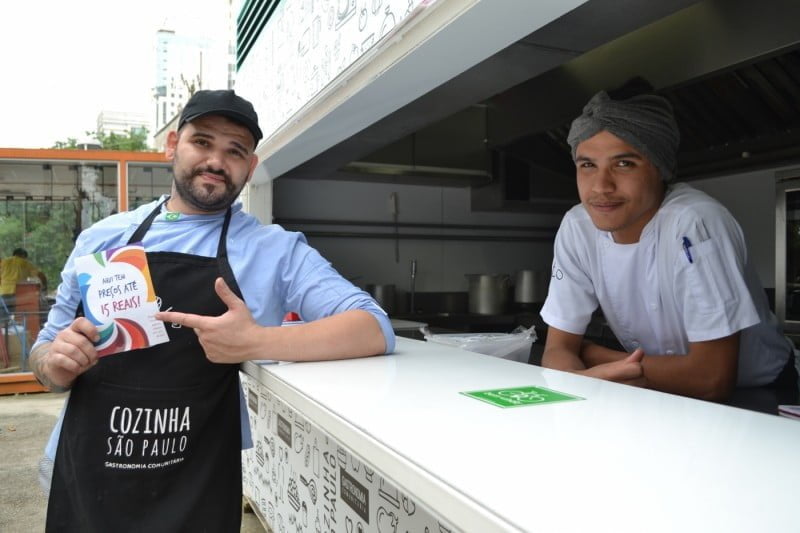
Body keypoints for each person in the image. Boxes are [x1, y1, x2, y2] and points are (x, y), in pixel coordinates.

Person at [29, 89, 394, 531]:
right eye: (202, 142)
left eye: (235, 150)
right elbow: (44, 355)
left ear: (251, 167)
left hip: (193, 483)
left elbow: (373, 328)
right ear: (172, 146)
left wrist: (257, 341)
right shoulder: (104, 239)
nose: (217, 161)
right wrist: (56, 364)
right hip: (90, 468)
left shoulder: (273, 250)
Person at [540, 87, 793, 403]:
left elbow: (711, 379)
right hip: (658, 388)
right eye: (588, 165)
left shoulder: (694, 223)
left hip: (758, 393)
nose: (601, 187)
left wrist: (596, 356)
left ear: (660, 169)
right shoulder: (578, 226)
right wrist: (582, 379)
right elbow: (557, 351)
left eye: (624, 164)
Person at [0, 247, 48, 312]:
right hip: (19, 293)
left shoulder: (4, 262)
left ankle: (5, 322)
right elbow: (41, 275)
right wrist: (44, 287)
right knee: (21, 316)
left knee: (4, 318)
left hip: (4, 292)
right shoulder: (25, 263)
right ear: (23, 256)